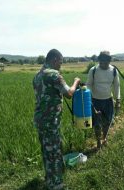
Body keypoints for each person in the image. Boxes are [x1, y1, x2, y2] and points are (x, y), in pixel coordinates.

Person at [33, 49, 80, 190]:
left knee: (47, 150)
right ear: (54, 60)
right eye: (60, 62)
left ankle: (49, 178)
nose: (61, 65)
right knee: (53, 151)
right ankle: (56, 184)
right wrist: (76, 82)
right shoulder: (53, 74)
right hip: (50, 121)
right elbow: (69, 93)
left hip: (40, 120)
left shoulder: (37, 75)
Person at [86, 51, 121, 149]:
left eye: (105, 62)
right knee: (97, 123)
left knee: (108, 121)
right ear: (99, 61)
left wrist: (118, 99)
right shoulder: (93, 70)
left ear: (109, 61)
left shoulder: (114, 71)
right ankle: (98, 141)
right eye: (101, 62)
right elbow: (88, 84)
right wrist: (88, 98)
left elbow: (117, 86)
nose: (103, 64)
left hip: (108, 100)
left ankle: (104, 138)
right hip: (95, 100)